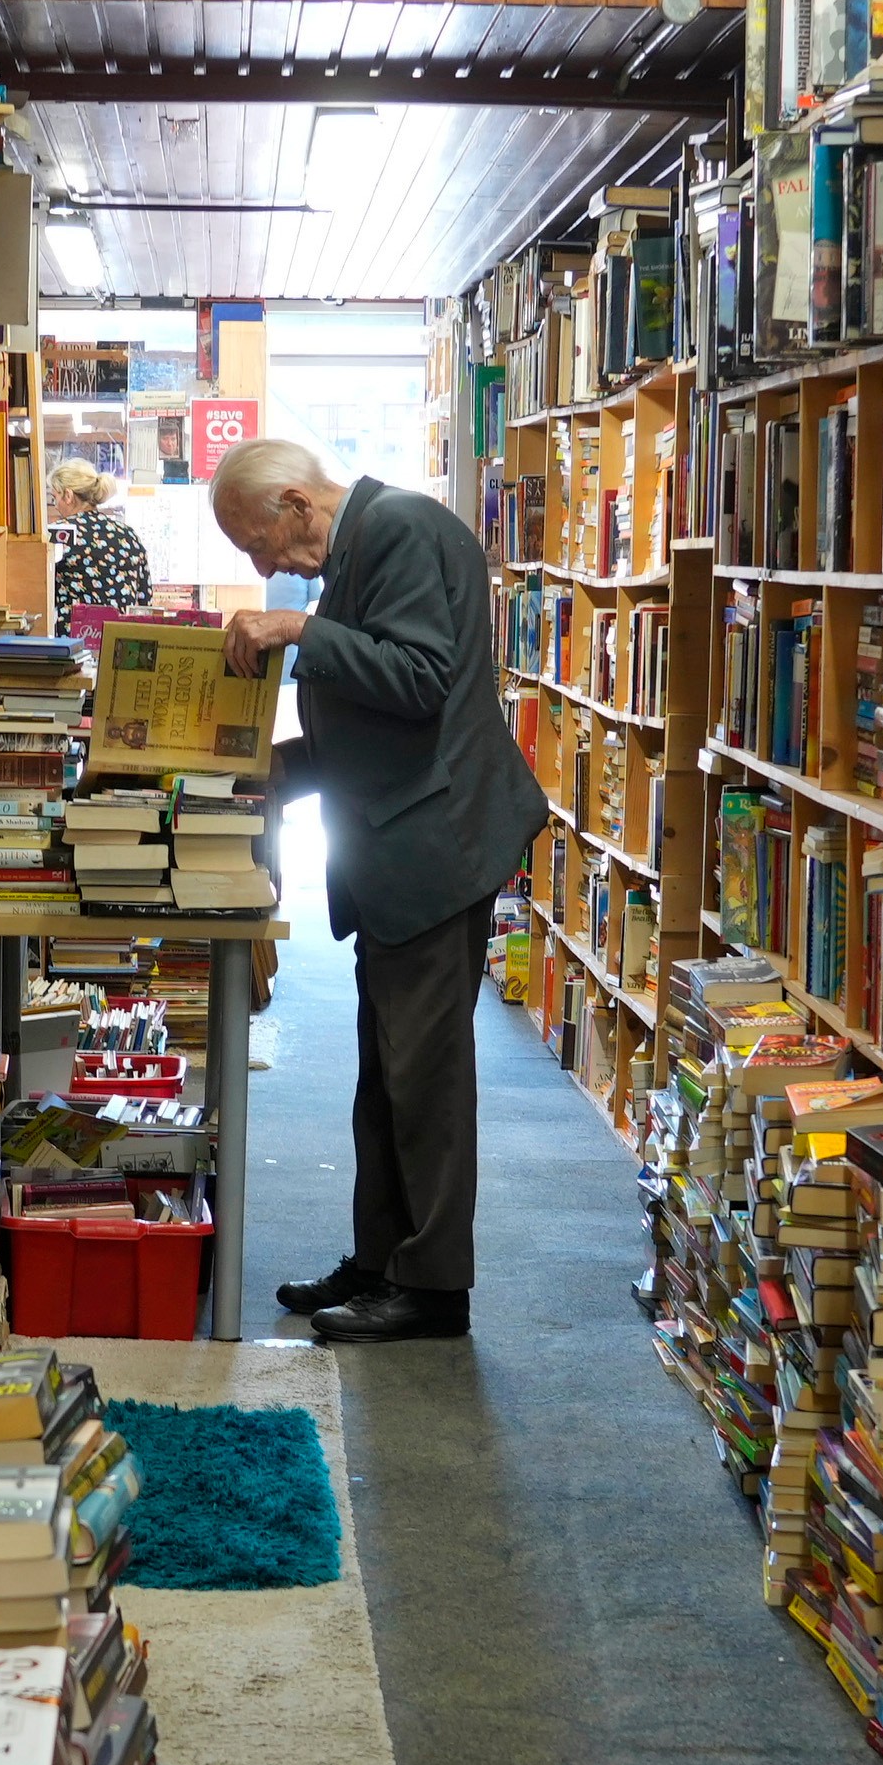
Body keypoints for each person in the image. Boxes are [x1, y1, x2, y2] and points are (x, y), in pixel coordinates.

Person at [209, 435, 547, 1345]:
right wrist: (267, 769)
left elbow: (419, 679)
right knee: (388, 1070)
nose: (265, 565)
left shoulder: (397, 527)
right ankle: (379, 1262)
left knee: (425, 1075)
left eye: (257, 542)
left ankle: (432, 1290)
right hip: (404, 844)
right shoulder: (363, 548)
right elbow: (371, 729)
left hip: (436, 847)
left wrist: (299, 632)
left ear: (293, 503)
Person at [47, 459, 153, 658]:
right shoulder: (128, 535)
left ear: (68, 495)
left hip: (70, 649)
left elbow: (41, 594)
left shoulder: (59, 535)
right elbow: (144, 600)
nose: (56, 506)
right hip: (119, 648)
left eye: (55, 498)